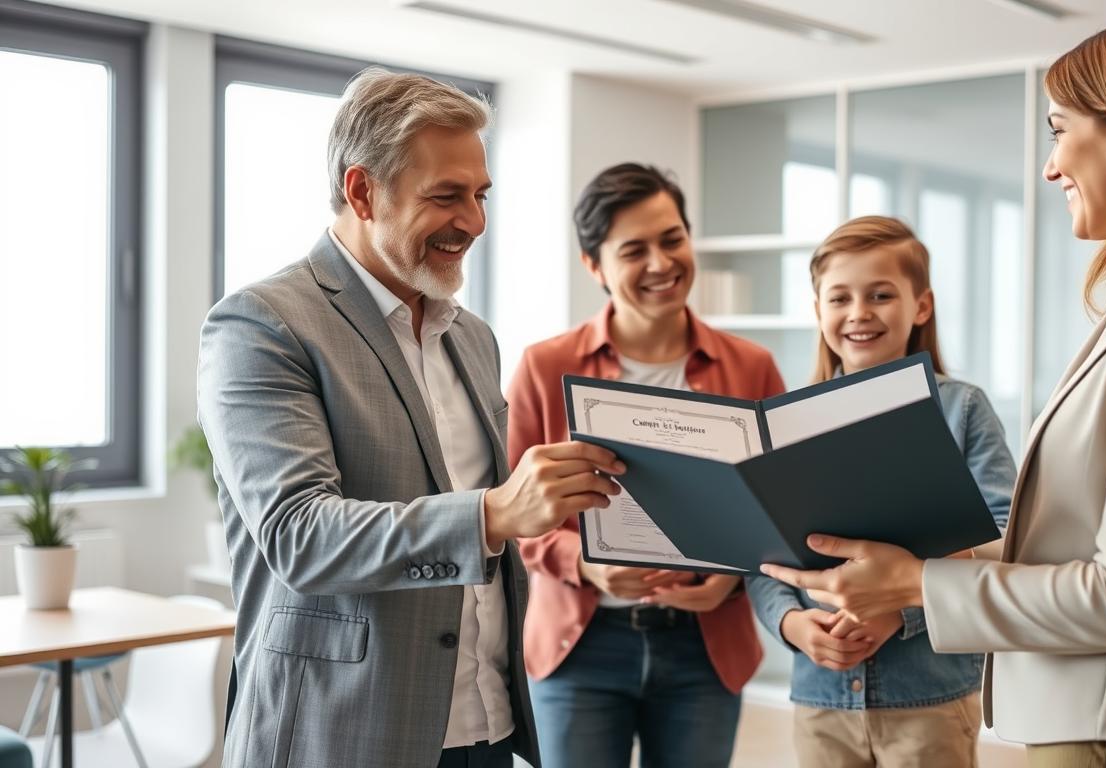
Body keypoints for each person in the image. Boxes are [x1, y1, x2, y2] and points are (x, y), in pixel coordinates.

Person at [760, 8, 1106, 768]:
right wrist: (936, 568)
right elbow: (1076, 544)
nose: (1051, 165)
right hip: (1093, 727)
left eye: (1061, 130)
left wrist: (919, 585)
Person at [198, 68, 623, 768]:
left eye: (481, 195)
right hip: (341, 734)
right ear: (363, 191)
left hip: (482, 724)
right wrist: (491, 513)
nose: (475, 222)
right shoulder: (262, 324)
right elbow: (299, 535)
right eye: (446, 196)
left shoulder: (473, 337)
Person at [506, 163, 786, 768]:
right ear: (594, 265)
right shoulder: (545, 366)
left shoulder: (751, 367)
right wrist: (584, 564)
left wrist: (733, 577)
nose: (661, 263)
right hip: (580, 646)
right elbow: (513, 514)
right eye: (634, 250)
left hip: (705, 647)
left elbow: (781, 506)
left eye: (672, 239)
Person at [747, 215, 1016, 767]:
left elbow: (1006, 532)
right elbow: (756, 554)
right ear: (818, 310)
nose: (859, 313)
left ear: (921, 306)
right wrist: (792, 624)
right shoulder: (783, 421)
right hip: (821, 699)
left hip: (930, 698)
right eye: (839, 298)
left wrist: (904, 608)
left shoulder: (963, 409)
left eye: (880, 294)